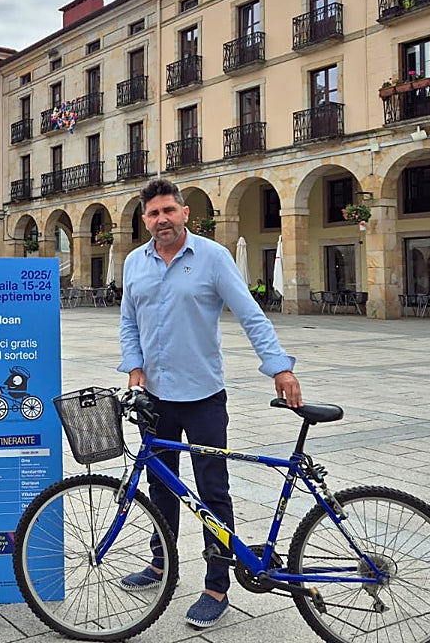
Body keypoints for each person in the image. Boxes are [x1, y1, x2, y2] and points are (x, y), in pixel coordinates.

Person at [118, 179, 302, 629]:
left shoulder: (213, 258)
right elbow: (128, 321)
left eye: (169, 211)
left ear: (185, 213)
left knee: (212, 491)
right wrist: (134, 367)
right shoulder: (134, 263)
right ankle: (161, 566)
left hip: (202, 398)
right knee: (161, 488)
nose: (162, 219)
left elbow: (250, 314)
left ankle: (217, 585)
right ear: (145, 220)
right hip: (154, 400)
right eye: (153, 213)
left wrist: (279, 367)